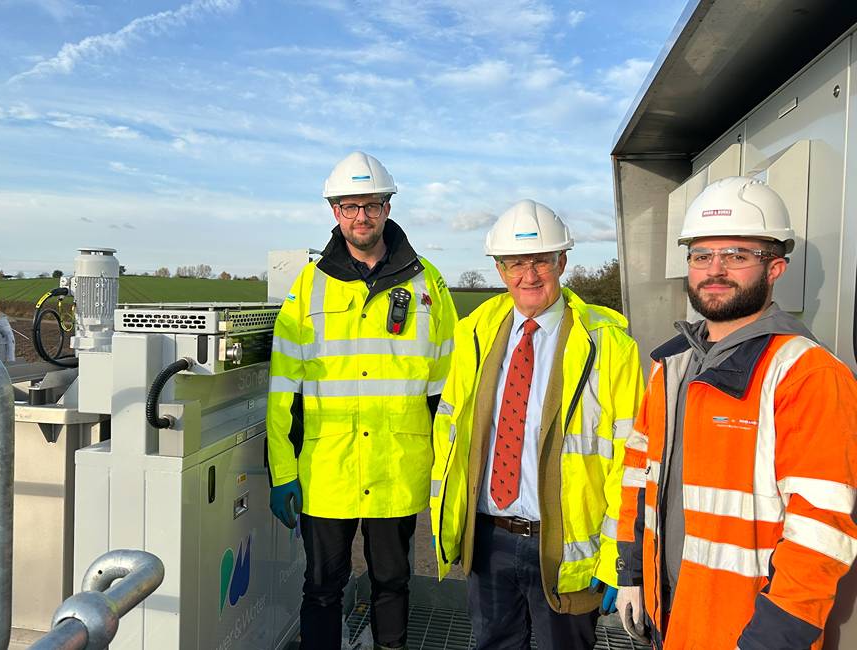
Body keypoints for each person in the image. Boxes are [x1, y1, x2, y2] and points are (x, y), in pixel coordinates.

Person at [615, 176, 857, 649]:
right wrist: (631, 572)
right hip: (672, 613)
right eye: (702, 255)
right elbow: (637, 476)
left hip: (748, 631)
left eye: (737, 255)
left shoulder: (806, 373)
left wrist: (775, 637)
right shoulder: (671, 367)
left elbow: (822, 531)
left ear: (776, 268)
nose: (715, 269)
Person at [429, 199, 643, 649]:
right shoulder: (475, 333)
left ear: (561, 261)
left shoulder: (608, 346)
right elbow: (450, 437)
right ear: (499, 268)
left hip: (564, 547)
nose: (528, 275)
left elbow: (631, 462)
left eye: (541, 260)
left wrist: (617, 560)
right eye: (514, 263)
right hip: (489, 539)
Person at [266, 151, 457, 650]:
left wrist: (446, 474)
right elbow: (283, 390)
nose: (360, 217)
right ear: (334, 212)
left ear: (388, 207)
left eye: (370, 205)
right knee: (322, 587)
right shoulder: (307, 287)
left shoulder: (427, 285)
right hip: (326, 470)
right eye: (349, 207)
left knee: (392, 583)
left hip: (396, 465)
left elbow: (448, 390)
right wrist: (283, 471)